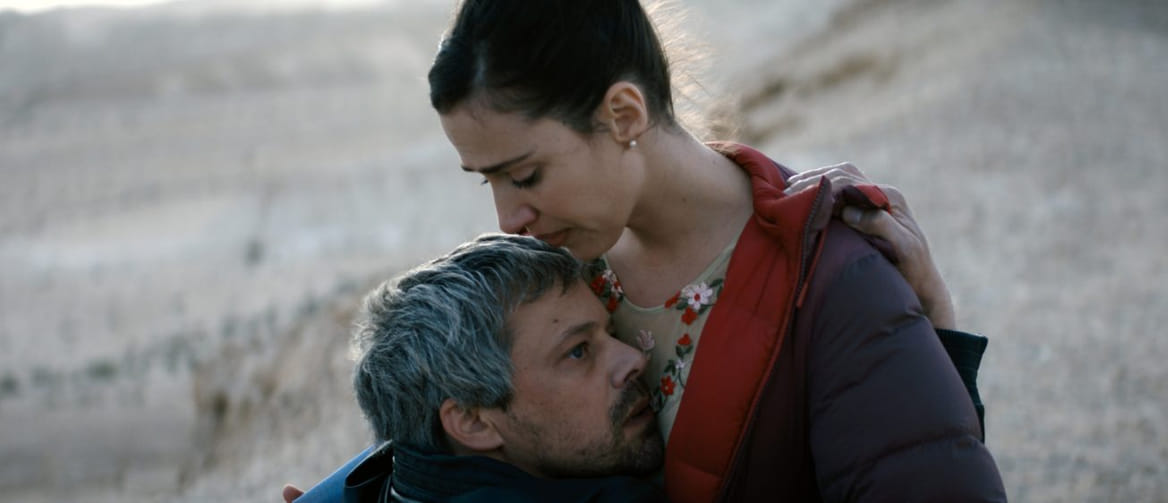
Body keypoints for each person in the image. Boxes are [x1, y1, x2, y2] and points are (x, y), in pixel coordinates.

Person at [286, 0, 1004, 500]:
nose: (508, 218)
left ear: (623, 113)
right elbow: (477, 432)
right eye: (488, 180)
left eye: (526, 174)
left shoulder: (831, 277)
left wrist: (930, 337)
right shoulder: (560, 267)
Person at [336, 234, 666, 502]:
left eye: (612, 333)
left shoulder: (381, 485)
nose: (634, 359)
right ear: (473, 422)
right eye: (578, 352)